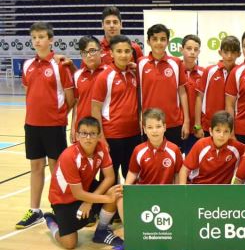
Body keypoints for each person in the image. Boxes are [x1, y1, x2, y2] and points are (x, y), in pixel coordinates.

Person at [17, 22, 75, 229]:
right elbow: (28, 93)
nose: (37, 41)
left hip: (54, 126)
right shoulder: (27, 65)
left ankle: (57, 207)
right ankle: (34, 210)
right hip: (32, 124)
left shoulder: (60, 65)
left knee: (56, 168)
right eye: (34, 37)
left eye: (41, 37)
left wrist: (60, 116)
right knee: (35, 166)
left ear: (51, 40)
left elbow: (71, 98)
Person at [43, 117, 123, 250]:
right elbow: (78, 193)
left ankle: (101, 231)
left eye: (92, 133)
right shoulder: (69, 156)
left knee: (115, 190)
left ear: (99, 136)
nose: (88, 137)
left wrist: (90, 202)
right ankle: (52, 221)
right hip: (63, 199)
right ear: (77, 135)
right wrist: (107, 199)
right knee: (69, 244)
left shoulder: (101, 147)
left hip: (85, 189)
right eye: (83, 133)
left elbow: (110, 177)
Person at [91, 35, 141, 183]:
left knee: (132, 176)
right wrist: (101, 137)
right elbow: (95, 109)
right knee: (109, 178)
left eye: (127, 51)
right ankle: (105, 207)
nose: (124, 55)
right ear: (111, 54)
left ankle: (128, 206)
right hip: (112, 136)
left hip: (134, 134)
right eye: (119, 51)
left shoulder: (134, 73)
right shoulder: (105, 76)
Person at [138, 24, 190, 149]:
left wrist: (186, 121)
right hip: (150, 124)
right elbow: (138, 93)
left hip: (173, 122)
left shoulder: (176, 62)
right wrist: (140, 118)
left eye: (162, 39)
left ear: (167, 41)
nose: (159, 43)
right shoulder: (140, 63)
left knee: (173, 160)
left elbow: (182, 92)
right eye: (155, 39)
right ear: (148, 41)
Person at [179, 111, 245, 185]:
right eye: (218, 130)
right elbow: (184, 170)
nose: (221, 135)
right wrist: (182, 191)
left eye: (226, 131)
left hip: (224, 192)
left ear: (230, 133)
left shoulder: (235, 147)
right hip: (199, 187)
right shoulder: (201, 145)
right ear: (211, 131)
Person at [196, 36, 241, 138]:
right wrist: (197, 126)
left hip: (232, 128)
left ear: (239, 54)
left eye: (233, 52)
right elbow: (199, 97)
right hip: (209, 126)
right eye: (226, 52)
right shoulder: (209, 71)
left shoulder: (240, 72)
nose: (229, 56)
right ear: (220, 52)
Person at [125, 108, 183, 185]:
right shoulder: (138, 150)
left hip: (167, 193)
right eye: (150, 127)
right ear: (145, 129)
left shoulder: (174, 149)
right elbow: (133, 172)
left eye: (158, 126)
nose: (154, 131)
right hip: (144, 193)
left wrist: (177, 192)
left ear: (164, 127)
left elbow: (178, 173)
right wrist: (126, 188)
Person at [71, 36, 106, 143]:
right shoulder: (77, 75)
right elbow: (77, 103)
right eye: (84, 53)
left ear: (101, 51)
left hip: (103, 129)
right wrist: (73, 126)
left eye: (92, 51)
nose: (89, 55)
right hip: (83, 130)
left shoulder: (109, 73)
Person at [180, 34, 204, 154]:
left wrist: (198, 126)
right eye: (189, 48)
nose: (192, 52)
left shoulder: (204, 73)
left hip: (196, 128)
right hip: (178, 126)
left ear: (199, 51)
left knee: (193, 165)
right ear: (181, 49)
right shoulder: (174, 70)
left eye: (195, 49)